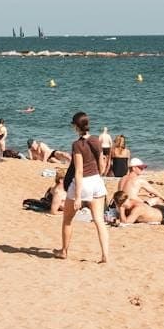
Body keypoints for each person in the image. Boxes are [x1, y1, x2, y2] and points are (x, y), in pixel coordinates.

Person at [60, 111, 110, 264]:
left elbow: (79, 170)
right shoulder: (96, 140)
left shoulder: (77, 145)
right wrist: (99, 175)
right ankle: (105, 255)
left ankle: (64, 251)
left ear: (76, 126)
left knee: (67, 220)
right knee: (99, 221)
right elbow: (102, 164)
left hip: (84, 183)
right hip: (97, 181)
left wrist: (78, 196)